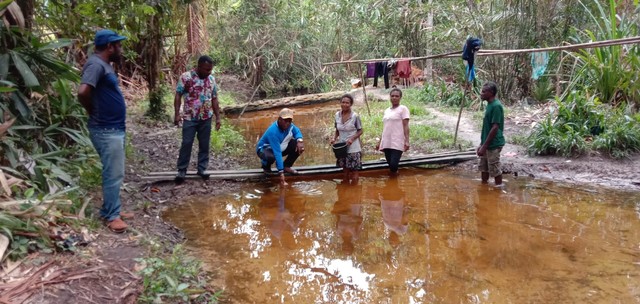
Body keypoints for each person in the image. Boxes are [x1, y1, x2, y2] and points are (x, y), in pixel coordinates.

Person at [77, 29, 131, 233]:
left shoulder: (104, 65)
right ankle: (111, 216)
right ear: (110, 46)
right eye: (118, 45)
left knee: (115, 171)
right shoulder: (95, 64)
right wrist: (93, 111)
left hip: (113, 127)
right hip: (106, 128)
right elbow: (83, 92)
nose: (121, 49)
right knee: (113, 172)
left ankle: (111, 208)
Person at [174, 55, 221, 184]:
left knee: (204, 144)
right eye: (206, 69)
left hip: (206, 117)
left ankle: (202, 168)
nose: (209, 72)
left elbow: (215, 99)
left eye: (210, 70)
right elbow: (178, 94)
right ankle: (182, 170)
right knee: (187, 143)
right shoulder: (186, 77)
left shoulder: (211, 80)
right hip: (190, 117)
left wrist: (218, 118)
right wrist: (177, 114)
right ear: (199, 66)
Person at [256, 108, 304, 185]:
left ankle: (287, 166)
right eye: (285, 120)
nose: (287, 123)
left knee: (298, 146)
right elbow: (277, 153)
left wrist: (300, 140)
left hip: (280, 146)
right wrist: (281, 174)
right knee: (271, 157)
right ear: (279, 119)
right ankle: (266, 167)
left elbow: (297, 131)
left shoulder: (290, 126)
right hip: (265, 149)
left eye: (289, 121)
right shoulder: (273, 132)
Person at [476, 81, 505, 186]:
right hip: (487, 143)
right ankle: (483, 189)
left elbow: (495, 128)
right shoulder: (489, 105)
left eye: (484, 92)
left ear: (491, 93)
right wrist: (481, 144)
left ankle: (498, 190)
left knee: (494, 168)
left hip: (494, 144)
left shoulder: (496, 106)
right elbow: (487, 127)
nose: (481, 93)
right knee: (484, 168)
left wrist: (485, 146)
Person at [330, 94, 363, 184]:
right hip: (342, 147)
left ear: (351, 104)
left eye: (347, 103)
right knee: (345, 170)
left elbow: (360, 131)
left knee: (354, 170)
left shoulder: (355, 116)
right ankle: (346, 192)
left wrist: (352, 139)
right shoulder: (337, 115)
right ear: (340, 103)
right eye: (343, 102)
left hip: (353, 147)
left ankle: (355, 192)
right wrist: (334, 138)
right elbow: (337, 129)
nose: (344, 104)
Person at [376, 88, 410, 174]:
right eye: (392, 96)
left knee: (394, 164)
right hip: (387, 141)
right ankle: (393, 182)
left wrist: (407, 141)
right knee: (390, 164)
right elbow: (385, 127)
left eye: (397, 96)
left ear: (400, 98)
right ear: (390, 97)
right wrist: (380, 141)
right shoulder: (387, 110)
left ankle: (395, 181)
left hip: (397, 141)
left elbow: (406, 126)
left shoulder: (403, 109)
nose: (394, 98)